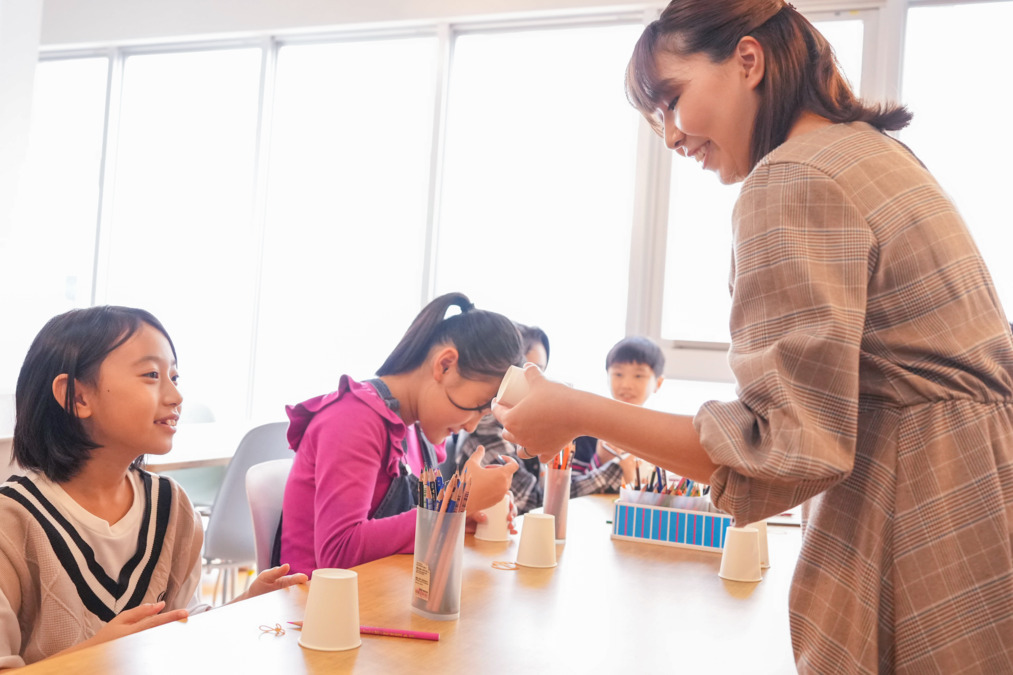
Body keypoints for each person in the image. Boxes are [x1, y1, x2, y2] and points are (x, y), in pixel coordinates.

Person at [494, 1, 1013, 672]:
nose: (670, 136)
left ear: (747, 60)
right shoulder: (874, 155)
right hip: (981, 505)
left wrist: (574, 411)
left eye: (672, 100)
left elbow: (786, 448)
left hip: (917, 521)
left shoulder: (793, 177)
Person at [0, 306, 306, 669]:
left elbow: (179, 626)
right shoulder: (12, 520)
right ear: (78, 397)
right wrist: (95, 655)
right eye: (151, 375)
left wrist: (244, 606)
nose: (176, 396)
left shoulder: (171, 505)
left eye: (174, 377)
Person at [280, 292, 522, 574]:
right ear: (445, 365)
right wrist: (453, 508)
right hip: (313, 607)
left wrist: (464, 518)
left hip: (378, 592)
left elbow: (401, 530)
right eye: (478, 407)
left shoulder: (415, 432)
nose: (471, 426)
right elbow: (337, 554)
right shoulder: (351, 419)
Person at [453, 324, 550, 515]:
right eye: (533, 371)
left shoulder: (519, 425)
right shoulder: (484, 429)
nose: (541, 383)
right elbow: (532, 500)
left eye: (543, 372)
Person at [570, 336, 664, 492]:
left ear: (658, 383)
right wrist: (600, 460)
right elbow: (571, 491)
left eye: (639, 376)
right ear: (607, 377)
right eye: (618, 374)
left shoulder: (659, 436)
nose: (626, 385)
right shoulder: (587, 430)